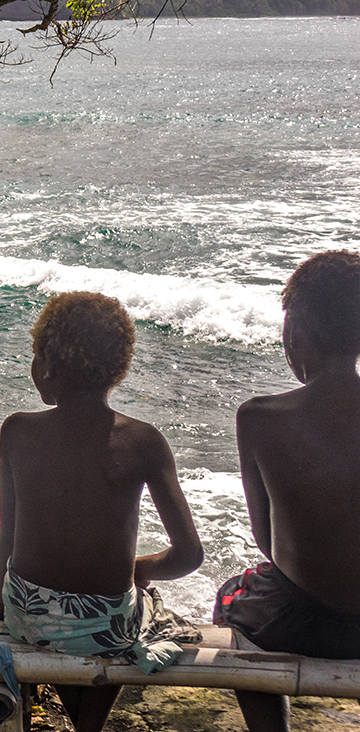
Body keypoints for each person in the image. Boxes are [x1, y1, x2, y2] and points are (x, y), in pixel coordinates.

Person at [0, 292, 204, 732]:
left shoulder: (17, 431)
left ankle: (84, 720)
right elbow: (189, 556)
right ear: (119, 367)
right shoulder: (143, 441)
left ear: (47, 364)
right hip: (107, 626)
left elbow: (10, 533)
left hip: (27, 615)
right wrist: (141, 568)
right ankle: (89, 723)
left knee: (72, 621)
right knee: (140, 609)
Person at [212, 251, 360, 732]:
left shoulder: (260, 417)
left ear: (294, 331)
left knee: (230, 599)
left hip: (298, 620)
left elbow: (267, 542)